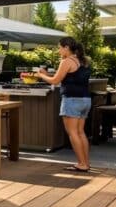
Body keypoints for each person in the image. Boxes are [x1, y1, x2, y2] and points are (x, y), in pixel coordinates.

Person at [34, 36, 92, 172]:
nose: (59, 51)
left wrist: (40, 75)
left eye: (59, 48)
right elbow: (66, 77)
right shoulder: (83, 61)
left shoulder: (67, 61)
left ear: (66, 47)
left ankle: (81, 164)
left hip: (72, 100)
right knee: (80, 132)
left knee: (73, 133)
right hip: (85, 100)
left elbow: (55, 81)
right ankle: (86, 163)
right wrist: (46, 73)